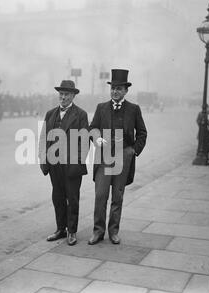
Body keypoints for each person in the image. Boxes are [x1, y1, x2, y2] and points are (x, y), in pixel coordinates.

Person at [88, 69, 147, 245]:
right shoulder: (101, 108)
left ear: (126, 91)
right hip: (104, 159)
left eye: (119, 88)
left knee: (117, 197)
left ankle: (113, 231)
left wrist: (133, 151)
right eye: (113, 88)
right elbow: (92, 128)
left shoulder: (134, 109)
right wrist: (96, 138)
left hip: (124, 159)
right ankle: (98, 231)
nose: (115, 91)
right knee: (100, 196)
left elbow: (142, 133)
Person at [39, 80, 89, 246]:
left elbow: (84, 141)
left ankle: (72, 231)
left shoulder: (80, 114)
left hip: (72, 165)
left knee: (72, 198)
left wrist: (78, 162)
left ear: (73, 96)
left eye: (67, 94)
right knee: (57, 197)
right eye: (61, 94)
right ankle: (61, 229)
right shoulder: (50, 114)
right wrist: (43, 160)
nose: (63, 97)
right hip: (54, 164)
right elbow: (43, 139)